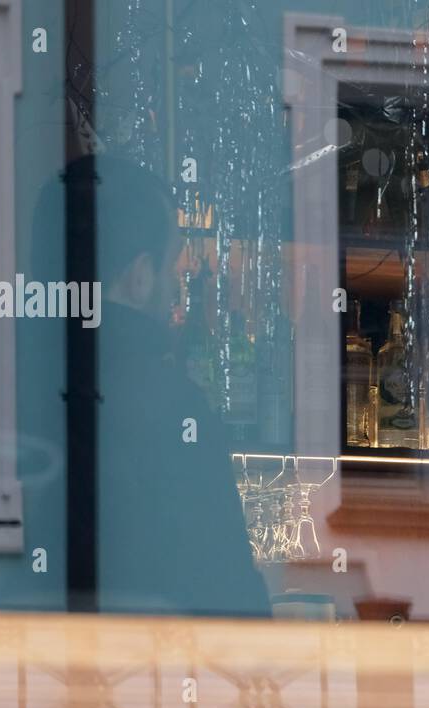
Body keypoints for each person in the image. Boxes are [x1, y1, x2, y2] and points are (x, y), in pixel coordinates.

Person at [34, 155, 272, 617]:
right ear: (141, 277)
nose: (176, 288)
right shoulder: (170, 407)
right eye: (173, 270)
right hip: (141, 676)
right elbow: (226, 593)